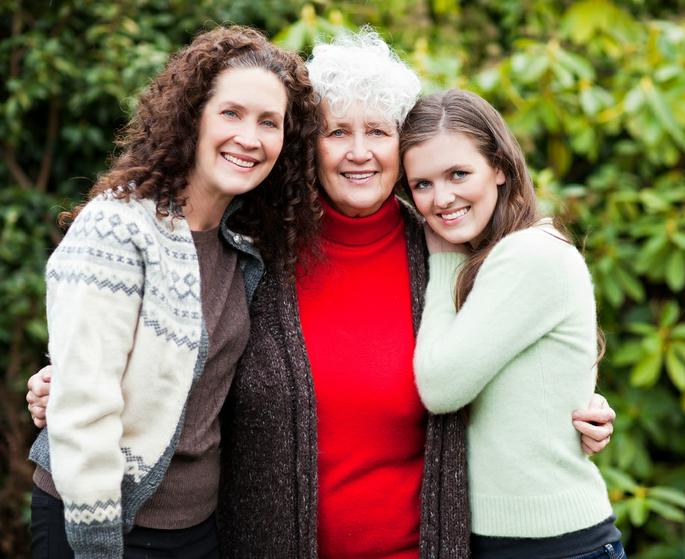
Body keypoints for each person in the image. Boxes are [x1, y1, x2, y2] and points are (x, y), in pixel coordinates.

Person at [26, 29, 616, 558]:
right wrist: (71, 387)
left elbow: (523, 353)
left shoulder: (449, 252)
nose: (359, 152)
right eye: (338, 132)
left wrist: (580, 408)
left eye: (379, 132)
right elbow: (181, 359)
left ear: (401, 147)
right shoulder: (256, 246)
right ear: (309, 145)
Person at [26, 26, 321, 558]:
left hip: (198, 529)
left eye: (269, 122)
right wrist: (96, 542)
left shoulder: (248, 243)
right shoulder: (119, 227)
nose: (249, 138)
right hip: (103, 521)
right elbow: (85, 405)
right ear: (193, 116)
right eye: (230, 113)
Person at [401, 88, 624, 558]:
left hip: (554, 545)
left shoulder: (529, 254)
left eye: (459, 174)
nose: (442, 198)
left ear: (500, 167)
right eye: (422, 184)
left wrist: (443, 264)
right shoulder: (493, 259)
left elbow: (441, 386)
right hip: (505, 541)